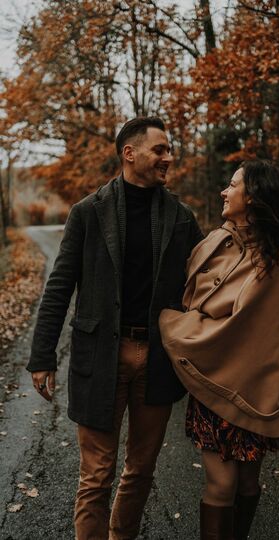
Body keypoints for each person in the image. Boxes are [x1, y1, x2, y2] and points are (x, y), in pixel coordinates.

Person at [27, 116, 203, 540]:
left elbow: (206, 281)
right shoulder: (88, 212)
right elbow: (59, 286)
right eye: (160, 149)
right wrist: (42, 355)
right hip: (100, 358)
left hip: (157, 359)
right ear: (130, 153)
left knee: (141, 470)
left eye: (168, 149)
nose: (168, 157)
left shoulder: (180, 217)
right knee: (96, 475)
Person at [160, 159, 279, 540]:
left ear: (254, 197)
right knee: (221, 485)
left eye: (233, 185)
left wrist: (174, 327)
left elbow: (256, 332)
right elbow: (193, 297)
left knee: (244, 484)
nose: (224, 191)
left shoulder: (276, 260)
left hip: (251, 384)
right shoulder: (218, 241)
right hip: (215, 381)